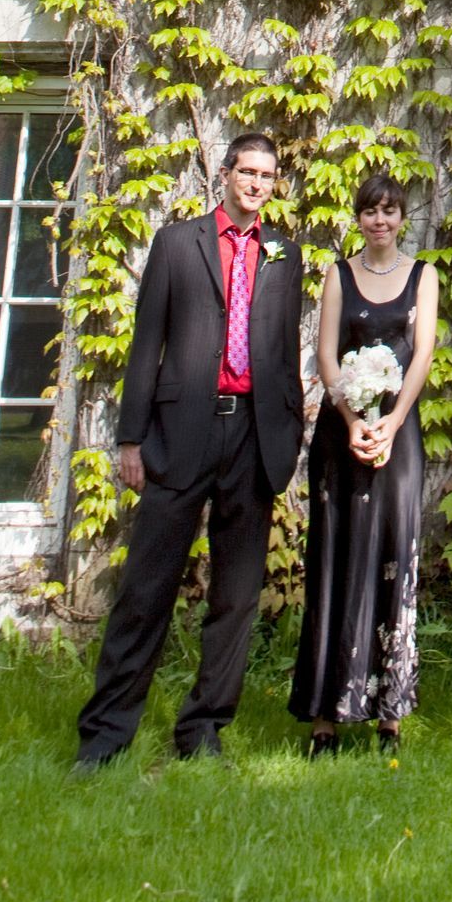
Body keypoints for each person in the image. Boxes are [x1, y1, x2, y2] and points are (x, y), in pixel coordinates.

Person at [75, 129, 304, 766]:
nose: (256, 184)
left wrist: (289, 430)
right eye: (247, 172)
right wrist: (130, 437)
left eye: (267, 174)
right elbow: (147, 343)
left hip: (254, 439)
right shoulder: (179, 243)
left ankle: (203, 730)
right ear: (225, 174)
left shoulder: (286, 252)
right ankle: (105, 736)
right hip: (181, 434)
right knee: (146, 588)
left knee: (235, 596)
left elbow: (284, 352)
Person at [290, 168, 439, 753]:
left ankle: (388, 714)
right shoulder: (338, 274)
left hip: (398, 437)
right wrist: (352, 421)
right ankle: (326, 715)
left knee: (392, 559)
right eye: (371, 211)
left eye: (391, 211)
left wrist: (393, 421)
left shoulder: (422, 277)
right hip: (341, 437)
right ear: (359, 218)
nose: (381, 221)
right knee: (335, 558)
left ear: (403, 218)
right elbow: (327, 356)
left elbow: (423, 351)